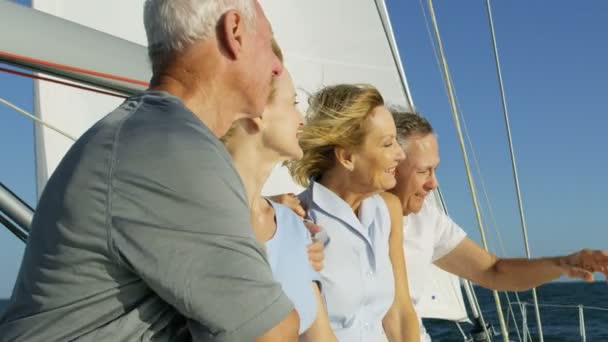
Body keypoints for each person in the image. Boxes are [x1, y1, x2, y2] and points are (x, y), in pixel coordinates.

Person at [0, 1, 301, 341]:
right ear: (234, 32)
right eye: (268, 41)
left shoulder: (149, 136)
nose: (278, 67)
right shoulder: (171, 146)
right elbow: (269, 334)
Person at [387, 109, 608, 341]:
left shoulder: (427, 219)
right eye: (423, 171)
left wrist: (564, 263)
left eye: (435, 170)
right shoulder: (352, 221)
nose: (434, 183)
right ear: (390, 166)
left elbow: (492, 271)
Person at [221, 39, 337, 341]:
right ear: (258, 111)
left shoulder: (293, 227)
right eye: (293, 104)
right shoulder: (200, 224)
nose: (302, 121)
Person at [287, 84, 420, 341]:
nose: (400, 154)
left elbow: (400, 313)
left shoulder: (388, 210)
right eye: (388, 144)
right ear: (347, 157)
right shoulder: (299, 220)